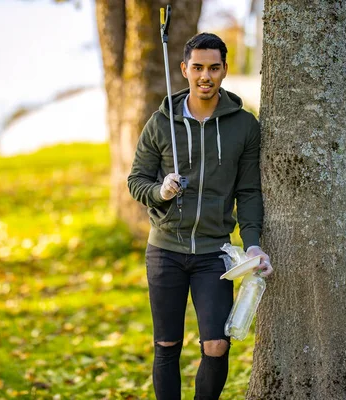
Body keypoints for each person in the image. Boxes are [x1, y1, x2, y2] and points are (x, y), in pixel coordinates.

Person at [127, 32, 273, 399]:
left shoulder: (245, 126)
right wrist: (160, 192)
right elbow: (136, 181)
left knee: (217, 345)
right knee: (166, 344)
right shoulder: (162, 124)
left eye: (213, 67)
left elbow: (249, 192)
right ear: (184, 69)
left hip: (214, 254)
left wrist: (253, 245)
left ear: (224, 70)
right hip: (165, 251)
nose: (204, 76)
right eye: (197, 67)